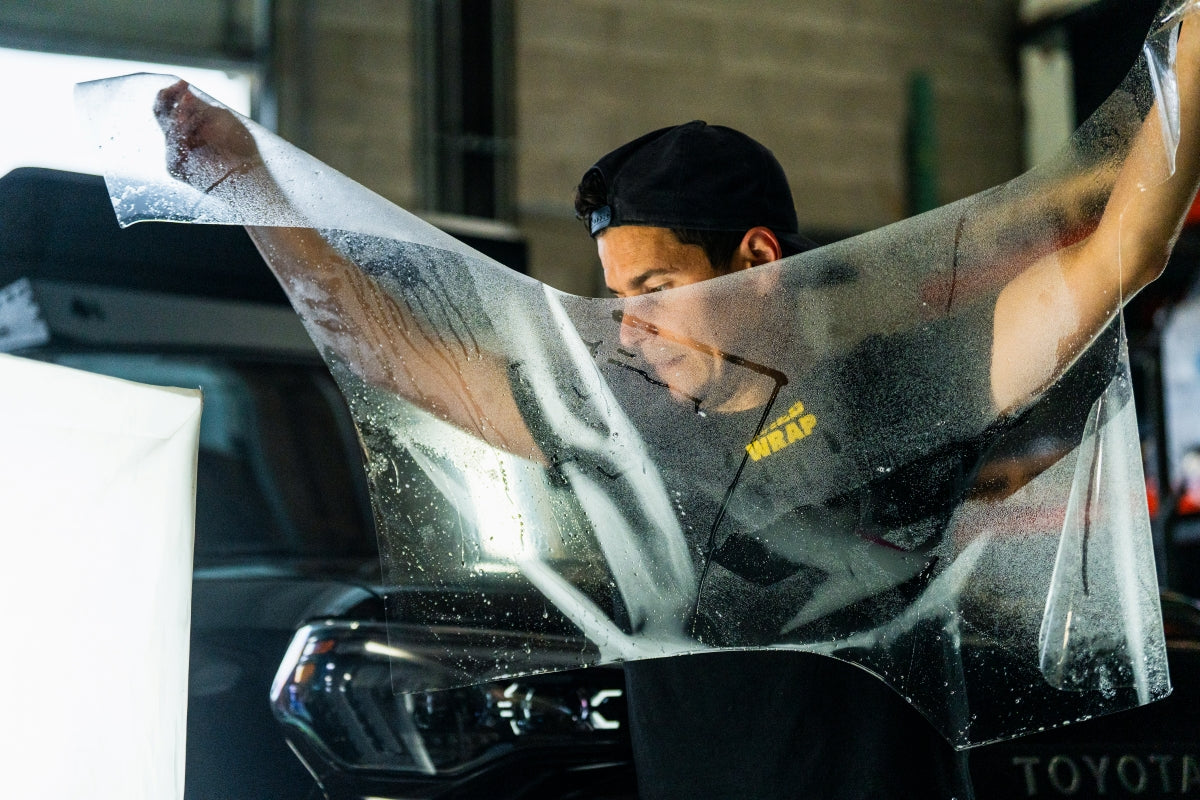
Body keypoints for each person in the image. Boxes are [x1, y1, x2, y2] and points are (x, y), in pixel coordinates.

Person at [151, 12, 1200, 798]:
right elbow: (391, 356)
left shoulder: (899, 388)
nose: (631, 328)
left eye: (654, 293)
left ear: (756, 261)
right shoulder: (619, 424)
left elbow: (1121, 250)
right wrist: (246, 187)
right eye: (614, 301)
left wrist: (1192, 44)